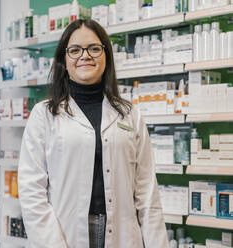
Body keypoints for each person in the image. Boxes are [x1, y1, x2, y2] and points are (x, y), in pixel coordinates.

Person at [18, 19, 168, 248]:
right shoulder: (44, 115)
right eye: (75, 50)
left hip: (122, 234)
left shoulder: (130, 115)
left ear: (106, 56)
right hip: (65, 234)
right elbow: (31, 192)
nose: (85, 55)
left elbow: (147, 191)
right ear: (64, 60)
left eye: (94, 48)